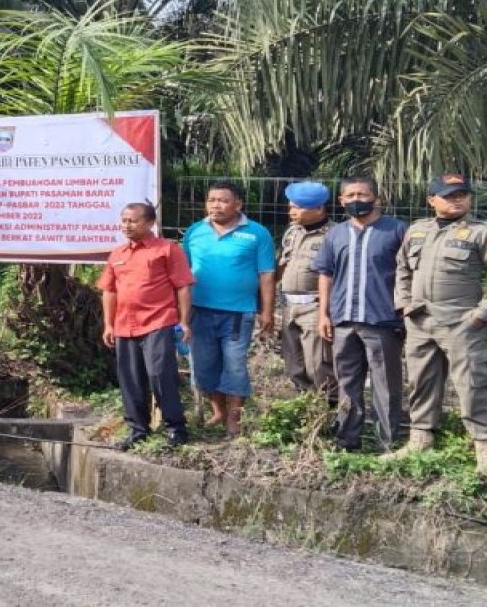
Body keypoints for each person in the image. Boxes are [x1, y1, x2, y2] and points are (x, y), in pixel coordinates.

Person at [390, 173, 487, 474]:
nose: (457, 200)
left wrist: (481, 315)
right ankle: (420, 439)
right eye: (449, 196)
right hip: (420, 320)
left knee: (473, 384)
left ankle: (486, 448)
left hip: (461, 322)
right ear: (431, 200)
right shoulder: (417, 230)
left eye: (462, 194)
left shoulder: (484, 232)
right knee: (421, 381)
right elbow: (402, 269)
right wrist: (404, 303)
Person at [314, 177, 408, 452]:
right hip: (343, 320)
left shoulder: (397, 230)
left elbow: (410, 272)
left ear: (377, 198)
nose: (356, 199)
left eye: (362, 194)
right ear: (341, 201)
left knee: (386, 383)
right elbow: (325, 274)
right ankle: (347, 440)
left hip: (382, 320)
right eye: (350, 195)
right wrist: (323, 314)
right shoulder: (335, 234)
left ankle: (387, 442)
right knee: (347, 382)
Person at [182, 180, 276, 437]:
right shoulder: (194, 232)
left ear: (238, 204)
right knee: (204, 365)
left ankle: (235, 419)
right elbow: (183, 274)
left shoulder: (257, 233)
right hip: (199, 311)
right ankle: (219, 411)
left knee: (234, 364)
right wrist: (181, 313)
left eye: (223, 201)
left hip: (237, 313)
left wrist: (267, 311)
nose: (216, 205)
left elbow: (267, 274)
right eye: (212, 200)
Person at [99, 203, 194, 450]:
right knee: (130, 379)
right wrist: (108, 324)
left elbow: (183, 286)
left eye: (133, 221)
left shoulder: (167, 249)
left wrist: (184, 321)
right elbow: (109, 290)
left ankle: (176, 428)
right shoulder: (118, 253)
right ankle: (138, 430)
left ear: (150, 223)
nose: (126, 225)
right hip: (124, 325)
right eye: (124, 220)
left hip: (158, 321)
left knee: (160, 374)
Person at [276, 181, 335, 401]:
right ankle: (304, 405)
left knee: (318, 363)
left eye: (298, 207)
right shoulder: (293, 232)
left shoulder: (334, 235)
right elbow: (282, 265)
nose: (291, 211)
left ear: (319, 209)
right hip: (289, 306)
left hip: (315, 307)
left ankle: (329, 407)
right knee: (294, 362)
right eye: (291, 206)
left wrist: (327, 311)